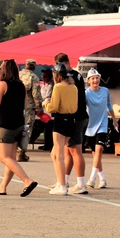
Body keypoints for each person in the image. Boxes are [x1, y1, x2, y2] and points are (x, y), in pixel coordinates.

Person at [0, 59, 38, 197]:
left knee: (4, 158)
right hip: (18, 124)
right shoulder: (21, 85)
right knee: (11, 158)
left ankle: (27, 180)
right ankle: (2, 187)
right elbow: (26, 105)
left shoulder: (3, 84)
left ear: (5, 70)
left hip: (5, 124)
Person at [55, 53, 89, 194]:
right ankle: (64, 180)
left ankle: (81, 184)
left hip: (75, 117)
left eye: (60, 65)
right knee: (68, 151)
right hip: (80, 116)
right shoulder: (77, 75)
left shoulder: (70, 78)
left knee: (76, 151)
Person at [44, 63, 78, 195]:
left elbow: (53, 107)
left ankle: (63, 186)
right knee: (54, 153)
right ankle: (60, 181)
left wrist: (45, 103)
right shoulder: (73, 87)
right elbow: (75, 106)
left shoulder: (58, 87)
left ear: (57, 75)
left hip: (60, 120)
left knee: (59, 155)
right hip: (71, 120)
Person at [83, 68, 115, 189]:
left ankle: (92, 178)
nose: (95, 80)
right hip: (91, 126)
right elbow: (81, 107)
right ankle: (103, 178)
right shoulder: (86, 93)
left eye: (97, 78)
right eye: (93, 78)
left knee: (99, 149)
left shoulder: (105, 91)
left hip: (103, 124)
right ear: (89, 81)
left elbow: (109, 106)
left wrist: (114, 119)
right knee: (95, 154)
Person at [17, 59, 43, 162]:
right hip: (29, 107)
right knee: (26, 129)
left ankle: (14, 150)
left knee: (17, 127)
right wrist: (39, 106)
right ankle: (21, 152)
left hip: (17, 106)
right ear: (34, 67)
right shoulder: (34, 77)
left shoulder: (18, 75)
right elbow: (35, 94)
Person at [35, 69, 54, 151]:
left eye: (45, 76)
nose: (43, 77)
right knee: (45, 127)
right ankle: (46, 143)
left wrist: (40, 100)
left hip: (48, 109)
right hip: (43, 108)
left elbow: (47, 96)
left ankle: (48, 144)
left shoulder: (51, 85)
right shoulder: (44, 85)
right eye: (42, 76)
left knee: (48, 127)